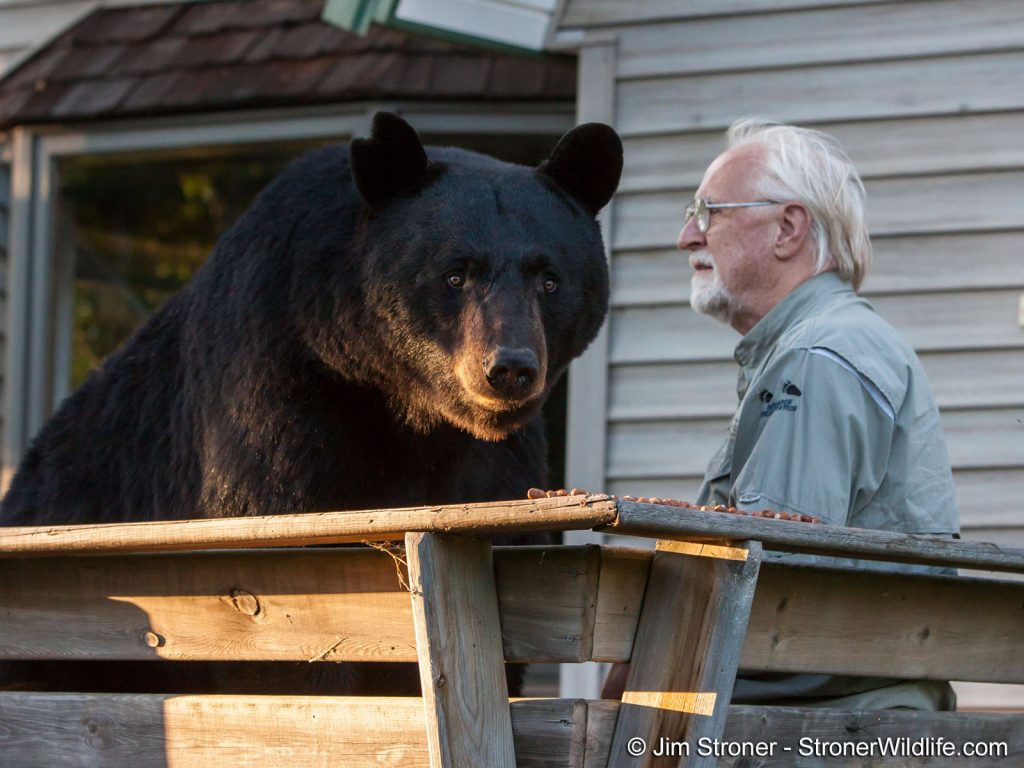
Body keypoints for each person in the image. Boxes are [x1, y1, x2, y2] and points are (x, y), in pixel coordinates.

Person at [605, 118, 960, 710]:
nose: (686, 236)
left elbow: (776, 586)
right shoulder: (829, 344)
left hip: (812, 731)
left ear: (787, 229)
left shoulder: (815, 358)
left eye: (708, 211)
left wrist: (633, 655)